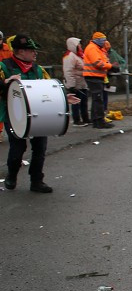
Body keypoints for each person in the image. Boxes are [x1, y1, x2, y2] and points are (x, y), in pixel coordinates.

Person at [2, 35, 80, 192]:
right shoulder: (3, 67)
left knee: (40, 148)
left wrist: (63, 97)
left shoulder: (38, 69)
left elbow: (47, 90)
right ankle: (11, 174)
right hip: (14, 114)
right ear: (20, 51)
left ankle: (37, 181)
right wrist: (5, 83)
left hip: (39, 113)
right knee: (17, 149)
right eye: (32, 50)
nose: (35, 53)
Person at [82, 31, 113, 129]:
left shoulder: (97, 48)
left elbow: (103, 61)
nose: (104, 42)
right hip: (93, 77)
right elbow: (98, 63)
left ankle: (96, 120)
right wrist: (111, 67)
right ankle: (99, 121)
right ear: (98, 40)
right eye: (103, 40)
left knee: (97, 99)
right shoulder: (92, 48)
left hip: (96, 77)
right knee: (98, 99)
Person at [62, 37, 89, 127]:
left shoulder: (79, 55)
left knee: (84, 101)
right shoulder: (69, 56)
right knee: (76, 102)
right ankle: (77, 120)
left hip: (82, 82)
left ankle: (85, 118)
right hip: (75, 83)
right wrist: (71, 86)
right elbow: (68, 71)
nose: (80, 46)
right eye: (79, 44)